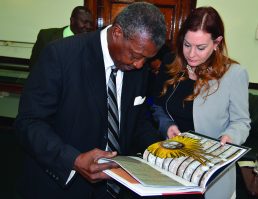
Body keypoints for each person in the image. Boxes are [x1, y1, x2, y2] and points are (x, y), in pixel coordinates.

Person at [15, 2, 166, 199]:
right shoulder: (60, 55)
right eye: (135, 55)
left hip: (114, 186)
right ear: (117, 33)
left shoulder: (137, 65)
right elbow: (29, 123)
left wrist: (161, 153)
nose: (139, 65)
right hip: (61, 187)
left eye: (146, 59)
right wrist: (73, 160)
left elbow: (135, 121)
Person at [151, 6, 251, 199]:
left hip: (210, 171)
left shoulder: (234, 74)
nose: (191, 54)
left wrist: (230, 137)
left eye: (201, 47)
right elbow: (157, 105)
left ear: (216, 43)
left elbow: (241, 122)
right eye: (187, 45)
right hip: (171, 164)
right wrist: (167, 125)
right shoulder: (171, 61)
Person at [29, 6, 93, 69]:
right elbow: (34, 66)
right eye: (85, 22)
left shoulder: (91, 42)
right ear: (72, 21)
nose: (89, 26)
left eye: (90, 23)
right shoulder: (46, 36)